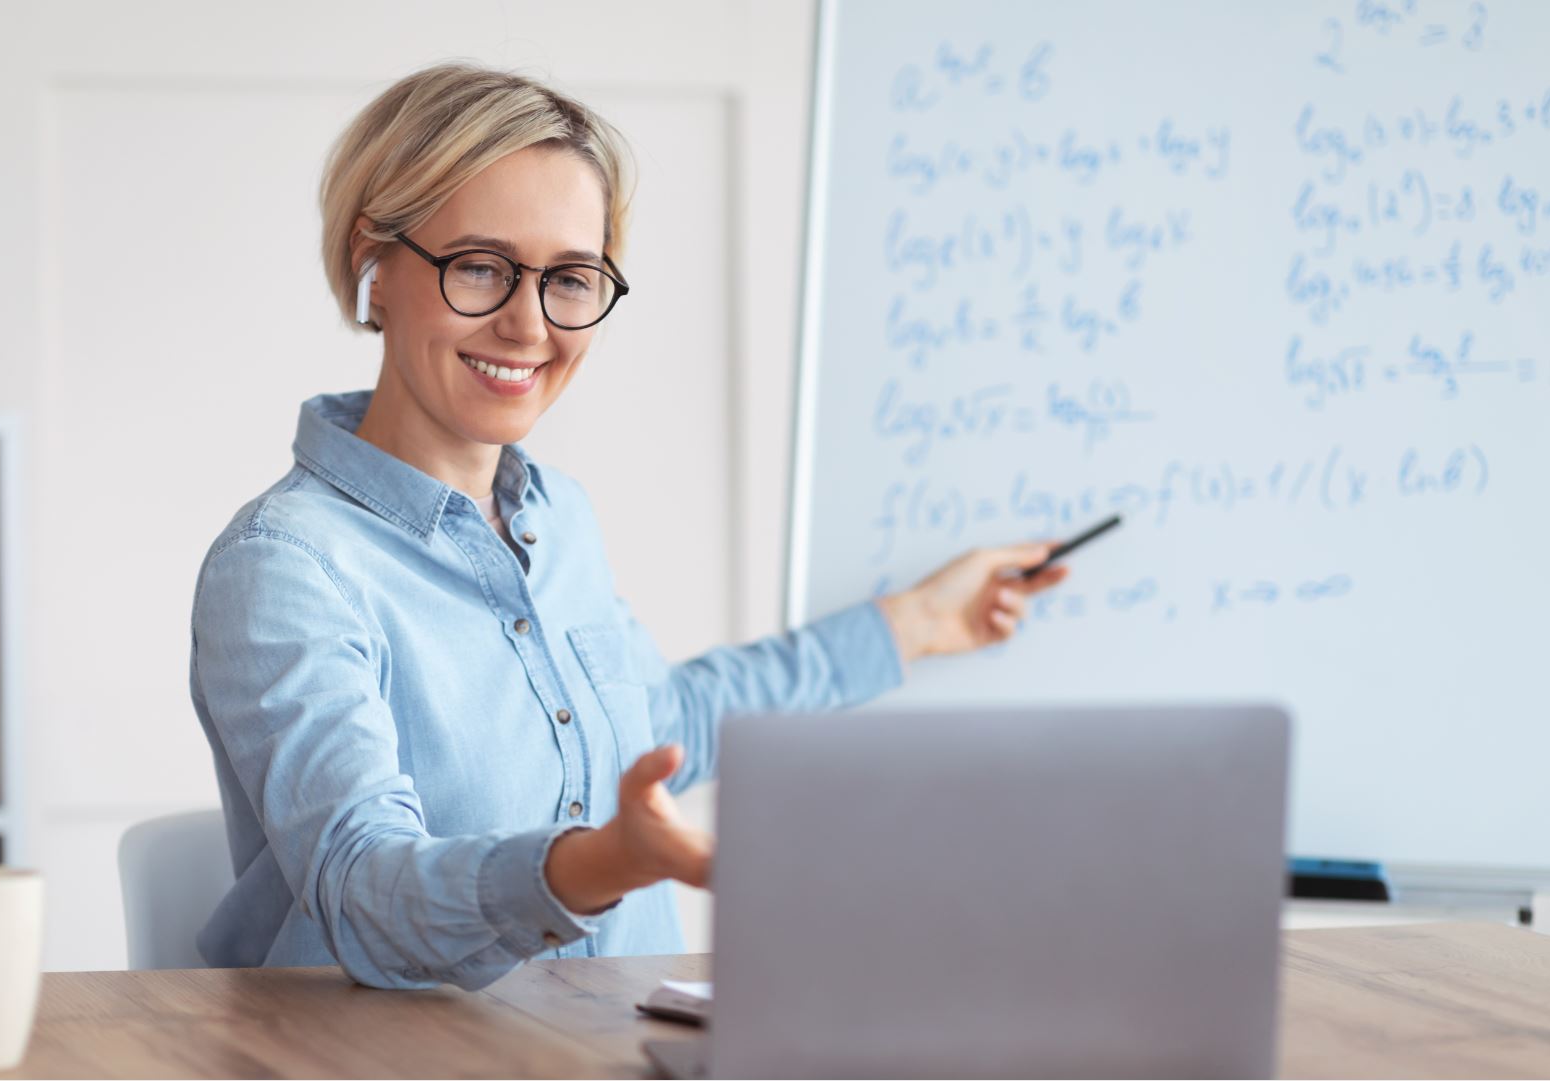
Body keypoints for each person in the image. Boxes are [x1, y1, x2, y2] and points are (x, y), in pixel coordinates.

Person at [187, 63, 1069, 990]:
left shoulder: (557, 518)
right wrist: (600, 863)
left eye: (570, 278)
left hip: (619, 1039)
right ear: (375, 262)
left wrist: (922, 623)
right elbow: (364, 887)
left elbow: (666, 725)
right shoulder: (286, 567)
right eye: (481, 267)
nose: (529, 325)